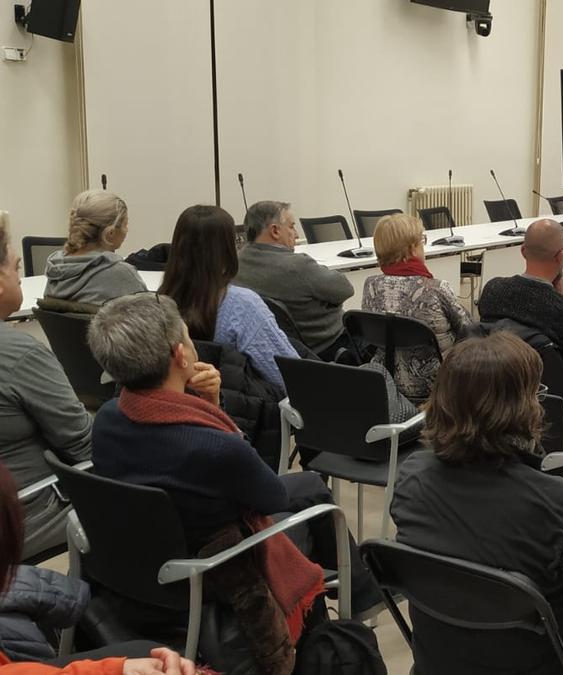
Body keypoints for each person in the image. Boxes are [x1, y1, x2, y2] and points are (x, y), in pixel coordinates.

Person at [86, 292, 381, 673]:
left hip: (146, 559)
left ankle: (353, 604)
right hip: (214, 569)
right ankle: (345, 620)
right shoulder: (212, 446)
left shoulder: (108, 419)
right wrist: (214, 411)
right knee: (315, 499)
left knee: (308, 485)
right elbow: (269, 495)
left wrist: (206, 402)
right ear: (181, 355)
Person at [389, 332, 563, 674]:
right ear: (519, 409)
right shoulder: (558, 502)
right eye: (536, 393)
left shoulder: (410, 476)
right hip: (543, 663)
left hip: (441, 659)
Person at [0, 463, 197, 673]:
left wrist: (115, 669)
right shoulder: (220, 450)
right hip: (43, 503)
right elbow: (77, 450)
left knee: (143, 650)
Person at [0, 212, 92, 563]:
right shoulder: (19, 355)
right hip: (29, 511)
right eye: (15, 267)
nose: (20, 275)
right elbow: (83, 445)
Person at [477, 219, 563, 441]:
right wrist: (561, 297)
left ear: (523, 251)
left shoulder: (492, 290)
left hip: (496, 379)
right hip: (551, 387)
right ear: (560, 256)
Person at [159, 205, 297, 393]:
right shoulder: (242, 306)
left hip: (183, 408)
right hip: (243, 417)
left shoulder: (158, 306)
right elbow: (291, 378)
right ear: (228, 248)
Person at [361, 213, 470, 400]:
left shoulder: (370, 286)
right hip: (438, 385)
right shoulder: (435, 288)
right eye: (422, 241)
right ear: (412, 248)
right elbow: (468, 330)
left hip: (387, 381)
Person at [234, 201, 358, 362]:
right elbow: (345, 289)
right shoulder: (297, 266)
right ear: (275, 231)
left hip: (274, 352)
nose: (297, 234)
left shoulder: (236, 263)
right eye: (292, 227)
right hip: (327, 348)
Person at [44, 190, 146, 307]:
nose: (127, 230)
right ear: (110, 233)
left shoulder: (56, 268)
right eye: (125, 225)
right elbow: (152, 318)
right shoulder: (123, 274)